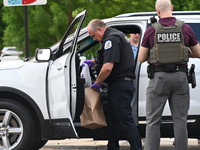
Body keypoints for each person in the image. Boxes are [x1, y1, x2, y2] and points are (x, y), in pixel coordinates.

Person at [138, 0, 200, 150]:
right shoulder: (185, 28)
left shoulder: (151, 30)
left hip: (159, 79)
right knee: (180, 122)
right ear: (171, 8)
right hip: (180, 78)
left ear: (157, 11)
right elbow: (198, 53)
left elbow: (140, 58)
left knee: (153, 122)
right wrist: (183, 52)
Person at [86, 19, 142, 150]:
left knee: (125, 120)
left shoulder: (112, 38)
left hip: (120, 85)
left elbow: (107, 67)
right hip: (116, 85)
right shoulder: (114, 36)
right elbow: (111, 57)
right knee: (113, 121)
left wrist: (97, 83)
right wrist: (93, 62)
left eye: (94, 35)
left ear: (99, 29)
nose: (94, 39)